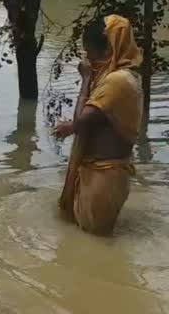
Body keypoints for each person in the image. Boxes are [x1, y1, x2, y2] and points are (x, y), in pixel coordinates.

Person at [55, 15, 144, 236]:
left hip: (104, 178)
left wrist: (85, 79)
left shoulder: (118, 81)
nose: (88, 60)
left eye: (90, 53)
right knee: (85, 240)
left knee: (98, 244)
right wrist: (73, 127)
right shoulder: (121, 77)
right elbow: (94, 119)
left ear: (108, 49)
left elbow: (82, 119)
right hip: (100, 175)